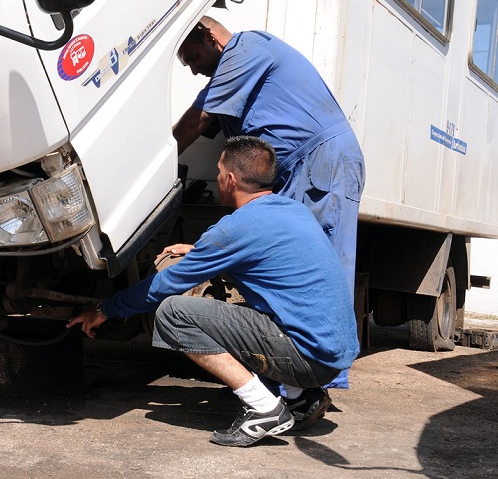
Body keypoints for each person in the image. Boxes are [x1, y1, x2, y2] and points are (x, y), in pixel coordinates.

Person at [67, 136, 359, 447]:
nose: (217, 178)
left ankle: (264, 408)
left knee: (173, 313)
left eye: (219, 171)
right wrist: (201, 251)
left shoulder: (234, 229)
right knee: (255, 310)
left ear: (230, 180)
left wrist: (105, 310)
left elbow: (165, 285)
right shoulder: (291, 210)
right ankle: (302, 397)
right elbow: (264, 254)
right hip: (332, 357)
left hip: (307, 358)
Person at [173, 17, 365, 296]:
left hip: (323, 161)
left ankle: (333, 338)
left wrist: (153, 168)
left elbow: (195, 122)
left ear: (210, 38)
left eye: (193, 58)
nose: (193, 70)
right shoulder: (234, 70)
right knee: (291, 260)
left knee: (324, 261)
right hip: (299, 169)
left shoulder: (244, 51)